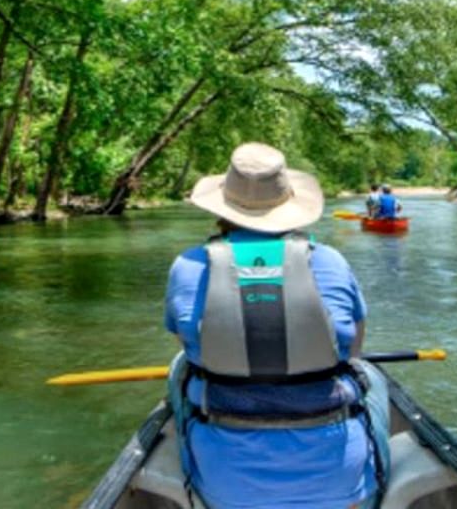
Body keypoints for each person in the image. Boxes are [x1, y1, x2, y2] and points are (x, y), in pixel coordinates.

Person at [164, 143, 386, 509]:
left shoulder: (187, 266)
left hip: (226, 484)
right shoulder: (330, 261)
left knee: (180, 370)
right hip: (337, 477)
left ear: (223, 208)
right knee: (372, 379)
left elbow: (187, 346)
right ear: (289, 205)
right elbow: (354, 351)